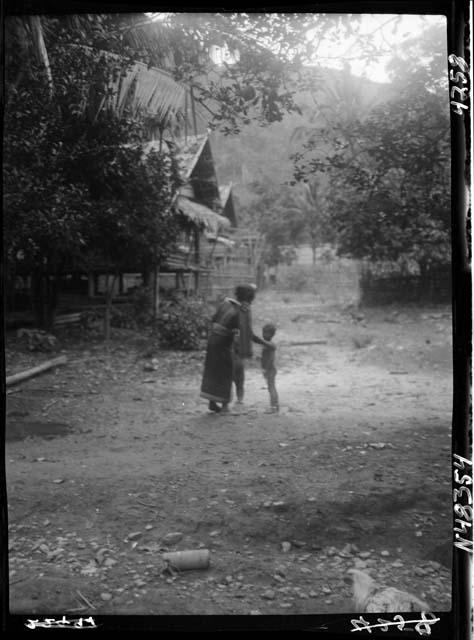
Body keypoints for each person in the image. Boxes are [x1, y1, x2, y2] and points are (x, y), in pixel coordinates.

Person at [200, 284, 269, 413]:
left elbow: (213, 319)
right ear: (248, 298)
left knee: (214, 370)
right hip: (223, 343)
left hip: (213, 340)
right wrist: (264, 343)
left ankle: (212, 402)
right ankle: (225, 406)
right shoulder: (241, 310)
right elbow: (247, 334)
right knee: (227, 372)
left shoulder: (225, 303)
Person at [261, 322, 279, 412]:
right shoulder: (268, 344)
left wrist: (265, 369)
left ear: (271, 334)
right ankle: (276, 405)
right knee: (271, 387)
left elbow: (269, 359)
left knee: (271, 387)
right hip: (271, 369)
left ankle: (273, 407)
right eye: (263, 332)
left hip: (270, 369)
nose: (263, 334)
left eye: (265, 333)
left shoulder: (270, 345)